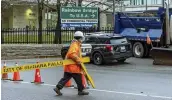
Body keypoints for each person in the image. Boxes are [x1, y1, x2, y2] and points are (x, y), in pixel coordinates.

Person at [53, 31, 89, 96]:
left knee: (65, 79)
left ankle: (57, 88)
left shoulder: (75, 44)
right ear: (79, 38)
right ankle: (80, 91)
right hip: (74, 67)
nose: (82, 40)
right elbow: (72, 54)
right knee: (79, 79)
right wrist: (79, 61)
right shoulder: (75, 45)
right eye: (81, 38)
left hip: (69, 67)